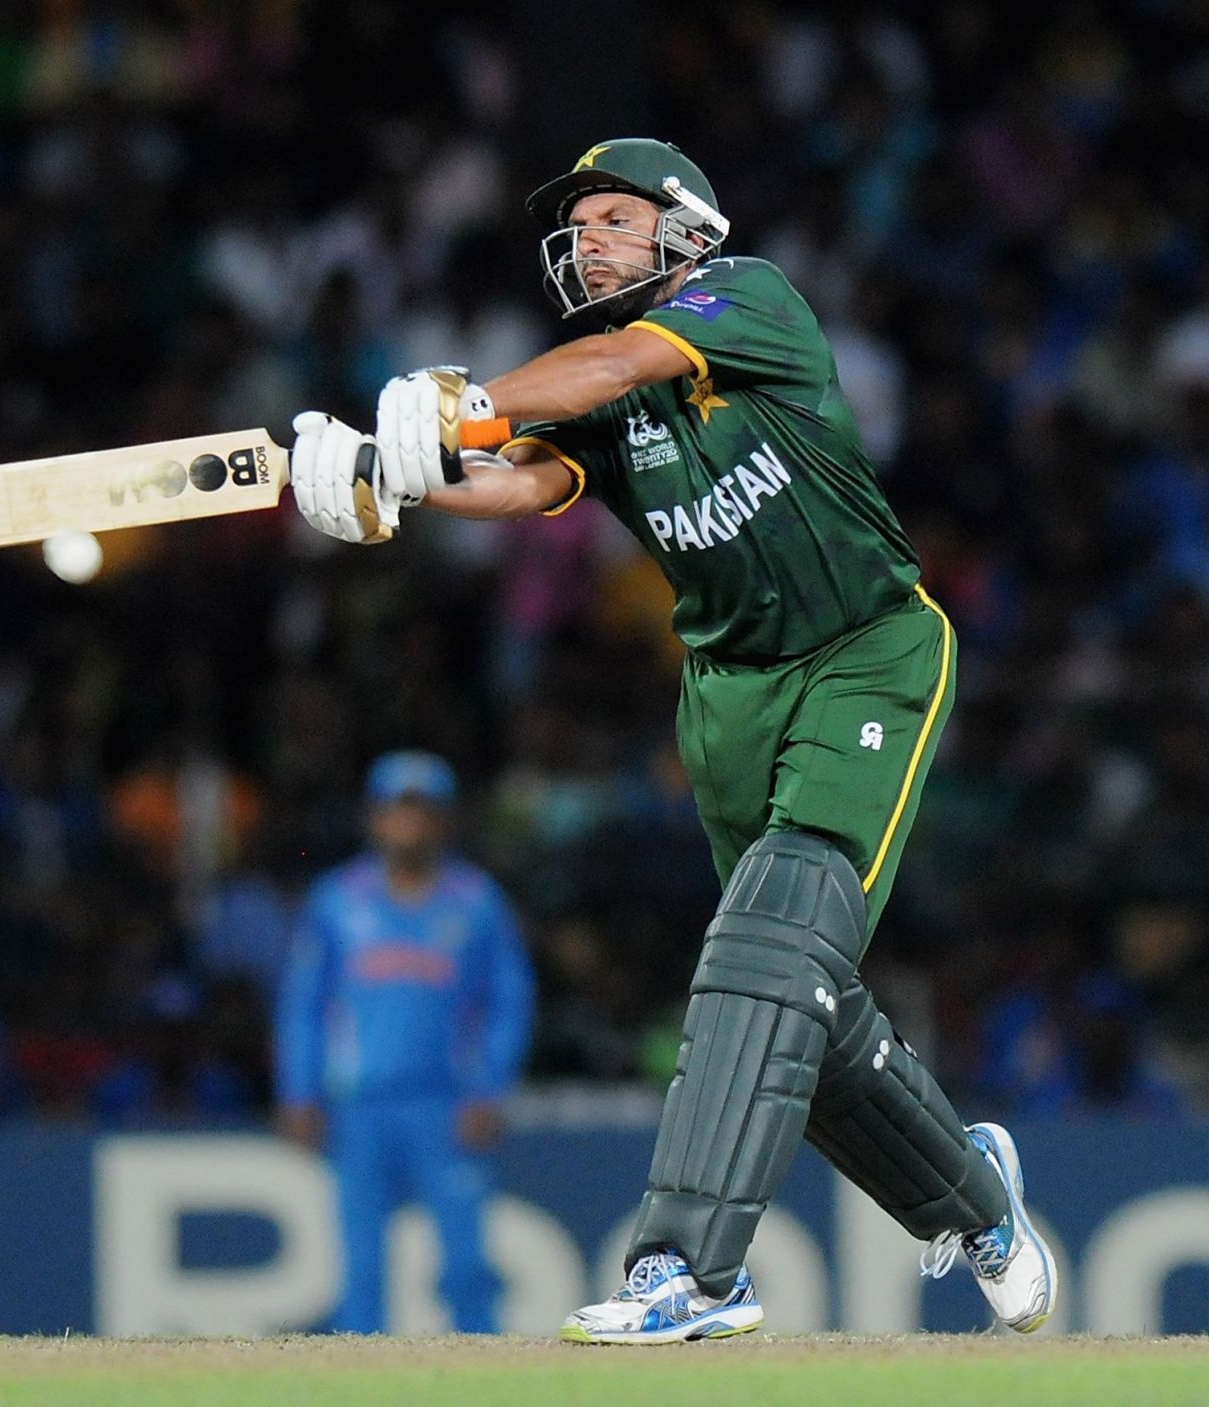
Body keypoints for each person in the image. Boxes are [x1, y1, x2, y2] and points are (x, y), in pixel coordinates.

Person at [289, 139, 1057, 1343]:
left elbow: (610, 363)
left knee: (764, 954)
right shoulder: (601, 393)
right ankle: (976, 1198)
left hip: (865, 651)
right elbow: (524, 484)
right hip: (727, 698)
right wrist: (389, 481)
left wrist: (471, 402)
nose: (587, 240)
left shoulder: (749, 300)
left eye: (611, 217)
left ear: (684, 228)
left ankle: (691, 1273)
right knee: (799, 987)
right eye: (577, 225)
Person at [274, 751, 533, 1334]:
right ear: (375, 817)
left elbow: (509, 1002)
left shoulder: (475, 902)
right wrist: (299, 1092)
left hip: (446, 1105)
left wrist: (488, 1089)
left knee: (466, 1266)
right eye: (397, 810)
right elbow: (304, 1007)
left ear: (444, 821)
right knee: (361, 1269)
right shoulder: (337, 900)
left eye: (422, 811)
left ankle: (485, 1383)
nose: (408, 824)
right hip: (360, 1106)